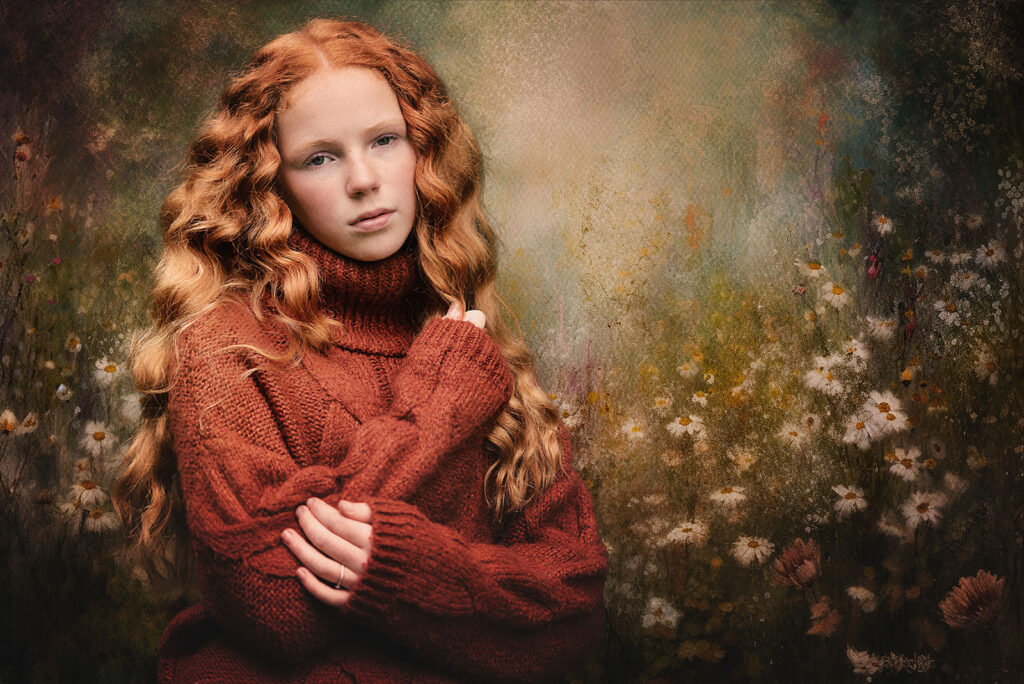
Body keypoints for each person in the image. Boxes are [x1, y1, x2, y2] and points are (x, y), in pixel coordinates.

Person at [111, 17, 608, 684]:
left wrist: (403, 568)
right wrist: (435, 409)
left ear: (423, 152)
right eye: (320, 157)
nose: (364, 180)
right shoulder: (228, 349)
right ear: (272, 185)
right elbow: (278, 604)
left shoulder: (466, 340)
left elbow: (571, 610)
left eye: (384, 141)